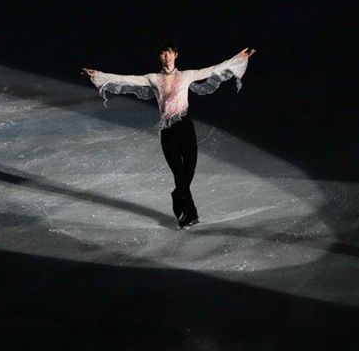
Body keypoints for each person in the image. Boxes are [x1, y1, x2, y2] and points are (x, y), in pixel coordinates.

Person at [83, 41, 255, 229]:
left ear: (175, 55)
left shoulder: (187, 76)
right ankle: (188, 215)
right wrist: (98, 75)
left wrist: (237, 59)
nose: (167, 57)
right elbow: (125, 79)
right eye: (163, 54)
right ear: (160, 57)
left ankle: (177, 196)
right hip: (168, 131)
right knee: (179, 173)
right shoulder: (153, 79)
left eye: (170, 53)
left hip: (185, 126)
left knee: (189, 170)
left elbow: (213, 69)